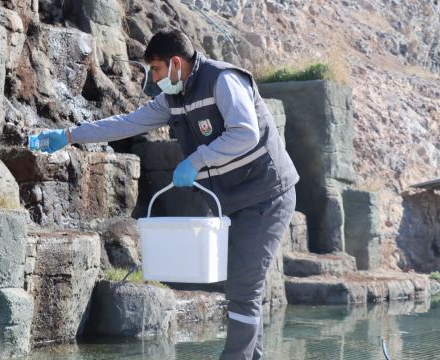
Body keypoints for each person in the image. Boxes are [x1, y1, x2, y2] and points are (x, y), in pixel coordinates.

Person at [34, 29, 299, 360]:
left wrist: (196, 160)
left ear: (176, 63)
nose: (153, 78)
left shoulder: (223, 81)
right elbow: (126, 124)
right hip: (235, 201)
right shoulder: (174, 98)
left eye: (156, 69)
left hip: (267, 194)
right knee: (242, 288)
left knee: (244, 287)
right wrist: (70, 135)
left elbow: (245, 133)